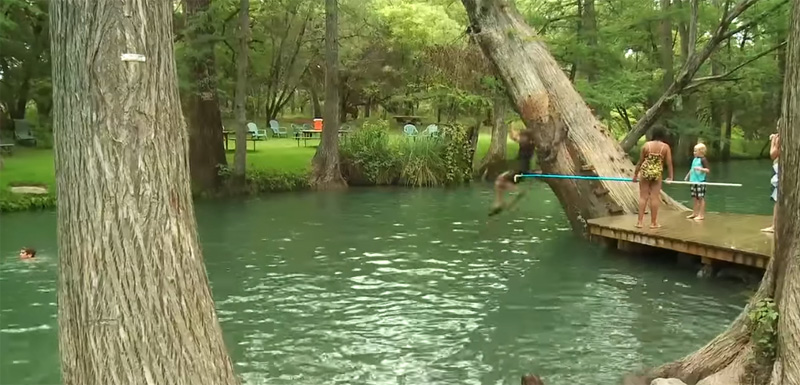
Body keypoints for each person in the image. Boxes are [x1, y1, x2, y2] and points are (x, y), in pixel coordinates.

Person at [632, 127, 674, 228]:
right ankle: (653, 223)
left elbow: (640, 162)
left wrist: (635, 175)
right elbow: (669, 163)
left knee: (643, 197)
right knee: (654, 198)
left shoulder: (646, 145)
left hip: (645, 173)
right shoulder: (665, 147)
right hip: (657, 174)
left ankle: (640, 222)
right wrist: (670, 177)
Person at [489, 127, 536, 216]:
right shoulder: (529, 144)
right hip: (523, 168)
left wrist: (511, 129)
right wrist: (513, 131)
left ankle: (516, 192)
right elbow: (515, 137)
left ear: (526, 138)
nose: (520, 138)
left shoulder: (525, 143)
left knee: (500, 180)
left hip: (520, 169)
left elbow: (515, 137)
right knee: (499, 182)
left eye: (522, 136)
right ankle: (499, 202)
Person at [685, 143, 710, 220]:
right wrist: (687, 176)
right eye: (694, 151)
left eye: (695, 151)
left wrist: (700, 169)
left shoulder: (703, 160)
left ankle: (701, 215)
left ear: (701, 152)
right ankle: (694, 213)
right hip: (693, 181)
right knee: (694, 198)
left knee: (701, 198)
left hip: (700, 181)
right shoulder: (695, 159)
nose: (694, 152)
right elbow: (692, 168)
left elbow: (707, 170)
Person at [761, 130, 780, 233]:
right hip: (780, 168)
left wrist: (773, 141)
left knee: (777, 198)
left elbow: (773, 154)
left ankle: (774, 226)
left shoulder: (780, 138)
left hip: (779, 169)